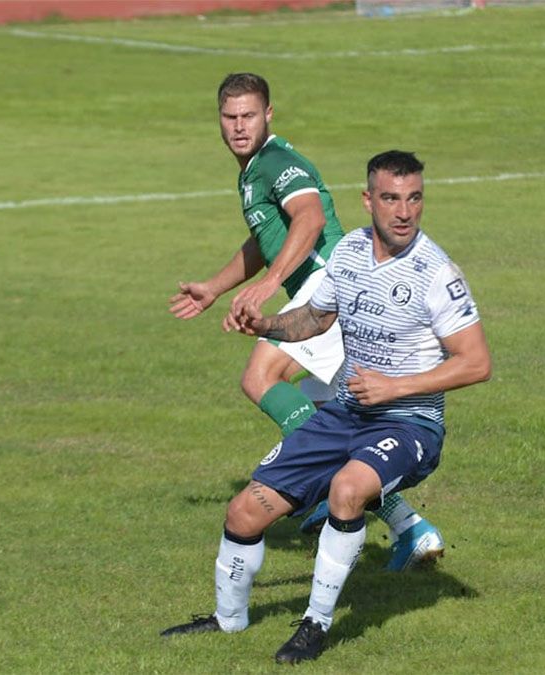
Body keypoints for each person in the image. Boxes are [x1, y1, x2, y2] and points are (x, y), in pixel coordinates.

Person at [161, 150, 492, 665]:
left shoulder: (436, 272)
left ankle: (315, 624)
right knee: (245, 511)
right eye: (391, 199)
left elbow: (476, 363)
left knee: (347, 489)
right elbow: (316, 319)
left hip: (411, 424)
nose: (404, 212)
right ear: (367, 200)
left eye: (414, 198)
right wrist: (267, 325)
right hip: (346, 414)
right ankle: (228, 621)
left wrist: (395, 388)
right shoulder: (351, 252)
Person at [168, 73, 443, 570]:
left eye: (248, 115)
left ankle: (338, 495)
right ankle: (409, 527)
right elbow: (264, 239)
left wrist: (270, 285)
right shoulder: (254, 171)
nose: (239, 126)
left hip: (329, 287)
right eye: (230, 117)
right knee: (325, 415)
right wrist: (214, 287)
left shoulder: (277, 162)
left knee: (260, 377)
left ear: (268, 115)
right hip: (331, 290)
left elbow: (310, 218)